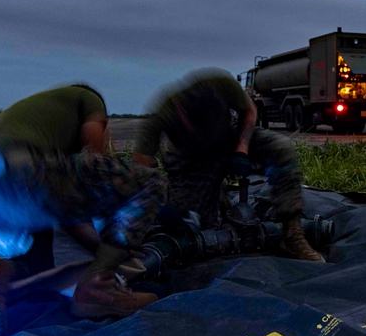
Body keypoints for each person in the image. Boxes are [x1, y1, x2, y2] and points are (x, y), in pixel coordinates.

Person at [0, 84, 168, 336]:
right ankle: (98, 290)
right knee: (150, 183)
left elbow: (68, 209)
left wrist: (104, 250)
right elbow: (96, 157)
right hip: (23, 174)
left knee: (37, 272)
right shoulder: (87, 98)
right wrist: (119, 240)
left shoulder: (38, 117)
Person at [133, 68, 325, 263]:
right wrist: (159, 204)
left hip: (230, 138)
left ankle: (292, 235)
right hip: (191, 161)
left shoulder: (222, 84)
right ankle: (217, 201)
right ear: (182, 114)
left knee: (281, 148)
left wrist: (241, 147)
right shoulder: (164, 111)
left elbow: (249, 109)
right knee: (192, 224)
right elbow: (141, 164)